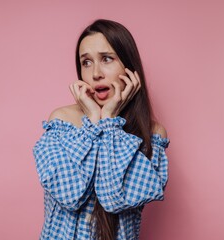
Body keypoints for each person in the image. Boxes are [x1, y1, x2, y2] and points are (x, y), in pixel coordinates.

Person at [33, 19, 170, 240]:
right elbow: (69, 196)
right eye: (86, 62)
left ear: (128, 65)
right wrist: (93, 122)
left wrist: (108, 121)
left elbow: (115, 199)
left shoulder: (152, 135)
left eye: (106, 59)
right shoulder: (61, 122)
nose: (96, 73)